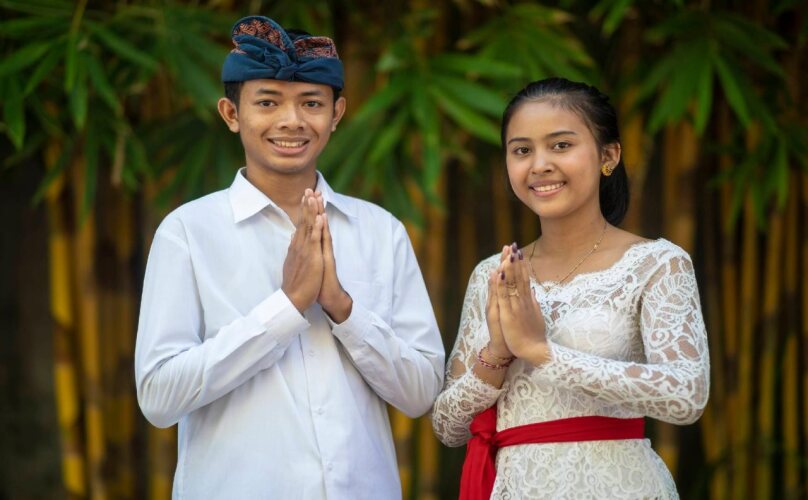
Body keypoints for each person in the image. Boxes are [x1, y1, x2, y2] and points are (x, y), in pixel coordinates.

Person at [134, 15, 444, 500]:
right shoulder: (188, 233)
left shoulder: (381, 231)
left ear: (337, 113)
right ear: (231, 113)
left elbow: (422, 392)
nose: (292, 120)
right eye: (267, 102)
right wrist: (287, 307)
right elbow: (158, 396)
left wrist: (342, 308)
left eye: (311, 103)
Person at [431, 77, 710, 499]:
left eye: (561, 145)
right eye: (522, 150)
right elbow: (448, 427)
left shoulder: (657, 264)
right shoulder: (494, 273)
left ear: (608, 156)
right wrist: (498, 354)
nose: (539, 164)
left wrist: (542, 353)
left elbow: (687, 396)